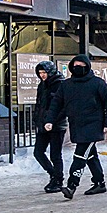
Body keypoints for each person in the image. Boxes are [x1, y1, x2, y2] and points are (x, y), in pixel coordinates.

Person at [45, 54, 107, 200]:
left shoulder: (97, 83)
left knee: (80, 155)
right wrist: (49, 120)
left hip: (93, 124)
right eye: (75, 66)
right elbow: (56, 103)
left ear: (87, 67)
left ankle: (72, 186)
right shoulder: (66, 85)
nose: (78, 69)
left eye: (81, 66)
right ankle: (99, 182)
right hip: (76, 125)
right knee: (90, 155)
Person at [33, 61, 68, 193]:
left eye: (44, 72)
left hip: (57, 125)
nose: (42, 75)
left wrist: (52, 120)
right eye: (40, 73)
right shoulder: (42, 85)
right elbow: (39, 104)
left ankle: (58, 180)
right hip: (43, 123)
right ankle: (54, 174)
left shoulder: (60, 84)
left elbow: (62, 107)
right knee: (38, 152)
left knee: (55, 154)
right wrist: (38, 119)